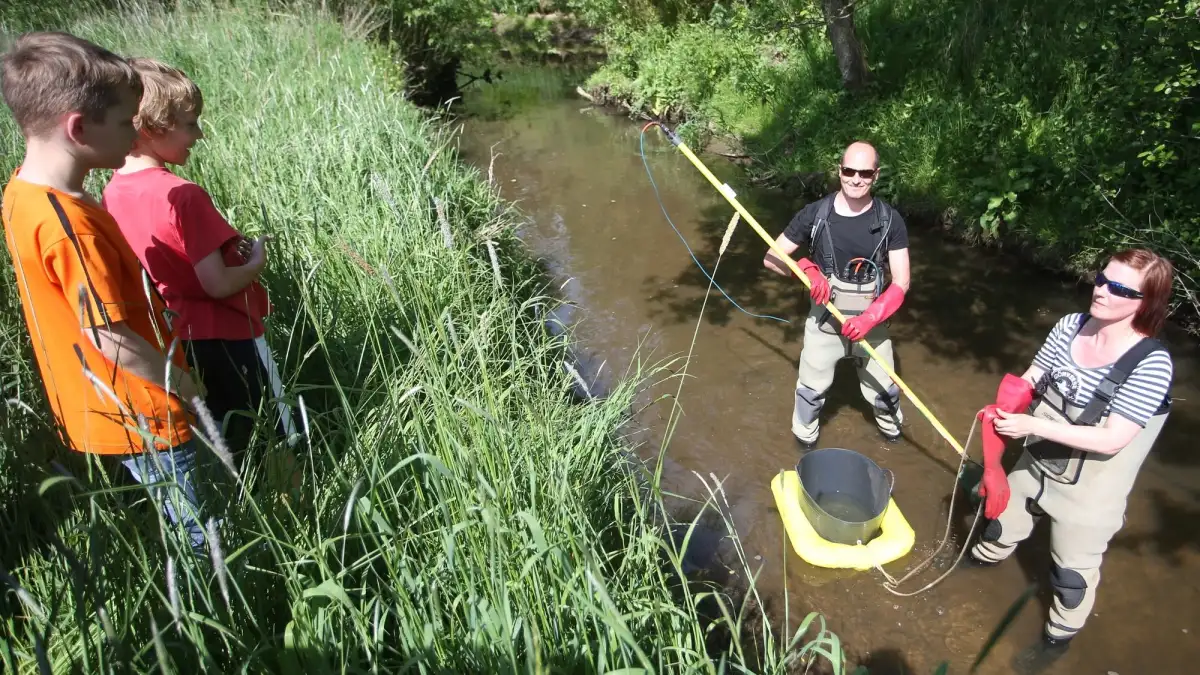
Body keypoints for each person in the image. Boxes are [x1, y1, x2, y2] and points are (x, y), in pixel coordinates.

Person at [1, 32, 208, 552]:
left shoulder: (21, 193)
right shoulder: (69, 226)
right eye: (124, 122)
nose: (134, 131)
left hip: (96, 409)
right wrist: (184, 384)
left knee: (158, 531)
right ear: (78, 128)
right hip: (145, 411)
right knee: (201, 536)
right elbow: (107, 334)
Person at [966, 248, 1175, 673]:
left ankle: (1056, 640)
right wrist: (1008, 405)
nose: (1101, 290)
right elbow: (1034, 376)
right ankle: (973, 568)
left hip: (1091, 492)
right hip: (1035, 464)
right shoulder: (1068, 326)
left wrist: (1032, 427)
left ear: (1145, 303)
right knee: (999, 521)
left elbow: (1114, 438)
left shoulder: (1152, 364)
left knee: (1070, 579)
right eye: (1102, 278)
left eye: (1118, 288)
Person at [100, 58, 301, 478]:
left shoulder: (112, 191)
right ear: (153, 128)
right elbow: (217, 283)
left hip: (175, 340)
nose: (200, 134)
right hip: (231, 336)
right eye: (190, 125)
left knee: (223, 438)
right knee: (271, 435)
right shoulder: (183, 195)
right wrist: (256, 262)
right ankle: (297, 512)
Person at [763, 141, 911, 448]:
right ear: (839, 171)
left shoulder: (890, 220)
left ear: (876, 175)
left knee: (885, 393)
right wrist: (805, 269)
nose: (856, 178)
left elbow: (901, 282)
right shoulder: (813, 215)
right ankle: (803, 445)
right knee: (810, 392)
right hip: (825, 322)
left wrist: (871, 318)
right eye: (849, 170)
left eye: (865, 173)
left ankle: (893, 438)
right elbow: (772, 258)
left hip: (873, 324)